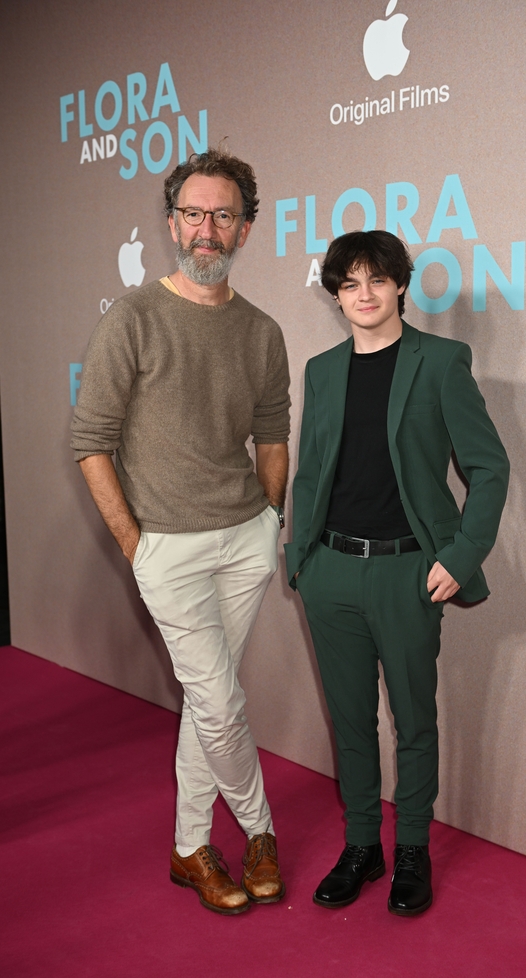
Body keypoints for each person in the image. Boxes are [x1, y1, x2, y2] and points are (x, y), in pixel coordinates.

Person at [71, 149, 290, 916]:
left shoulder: (261, 331)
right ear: (172, 224)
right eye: (194, 214)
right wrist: (137, 545)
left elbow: (272, 434)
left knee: (211, 699)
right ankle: (261, 830)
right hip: (167, 546)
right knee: (222, 705)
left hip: (245, 543)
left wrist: (270, 518)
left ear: (246, 230)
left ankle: (190, 845)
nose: (207, 229)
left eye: (223, 215)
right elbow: (90, 440)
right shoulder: (131, 318)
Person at [285, 230, 509, 916]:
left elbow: (489, 468)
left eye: (377, 280)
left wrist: (461, 554)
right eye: (349, 284)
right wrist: (302, 558)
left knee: (413, 720)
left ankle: (410, 846)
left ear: (401, 285)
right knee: (350, 721)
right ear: (335, 295)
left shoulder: (440, 363)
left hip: (408, 572)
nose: (364, 294)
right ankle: (362, 846)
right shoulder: (322, 371)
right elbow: (313, 471)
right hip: (330, 573)